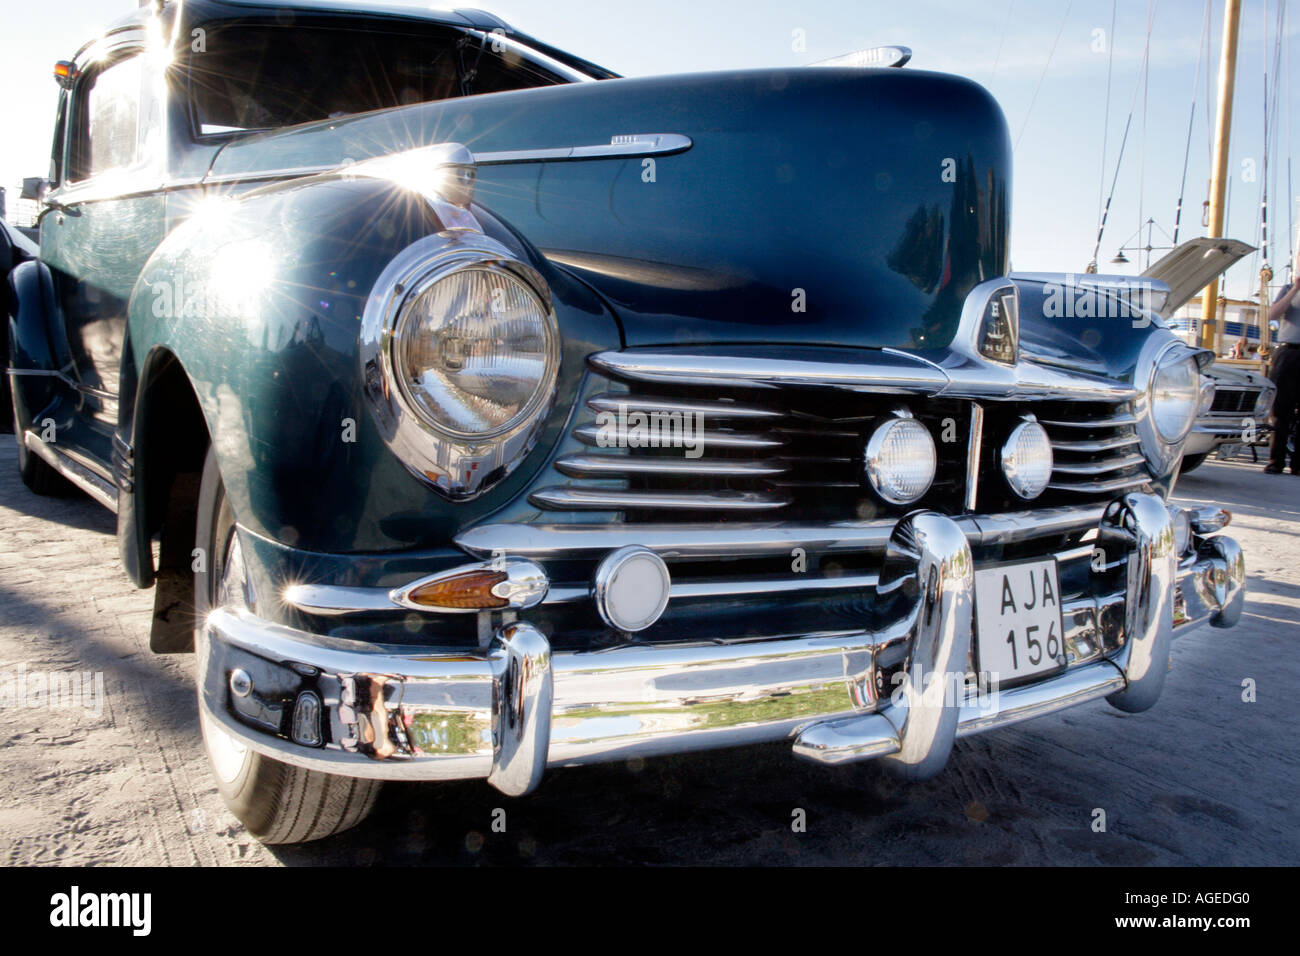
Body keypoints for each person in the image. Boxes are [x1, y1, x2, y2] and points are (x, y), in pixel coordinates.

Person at [1265, 253, 1300, 474]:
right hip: (1288, 352)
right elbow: (1273, 314)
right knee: (1280, 409)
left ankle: (1298, 465)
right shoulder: (1288, 289)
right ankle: (1275, 461)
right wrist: (1295, 290)